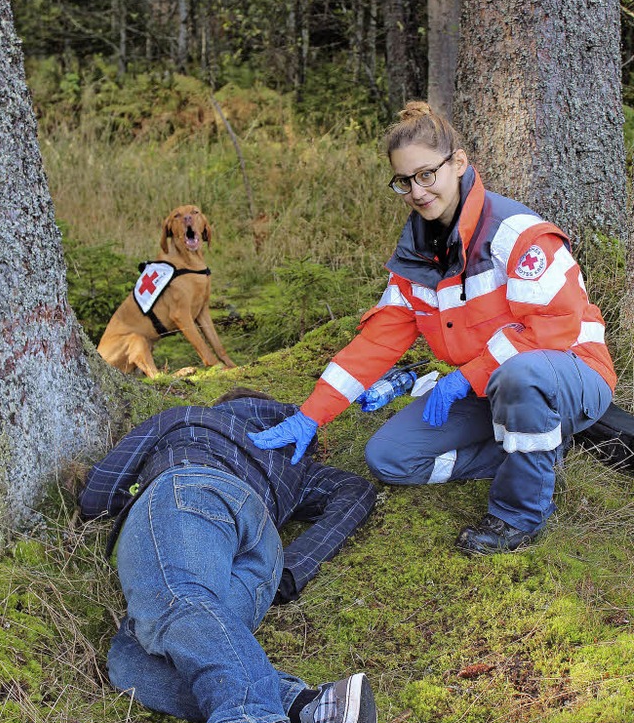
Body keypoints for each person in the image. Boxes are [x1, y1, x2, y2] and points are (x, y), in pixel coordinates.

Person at [249, 102, 616, 556]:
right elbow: (377, 341)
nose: (417, 192)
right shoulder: (415, 260)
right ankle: (535, 451)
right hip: (489, 388)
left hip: (570, 373)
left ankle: (517, 516)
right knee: (390, 457)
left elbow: (554, 326)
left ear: (458, 163)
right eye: (403, 182)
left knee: (522, 376)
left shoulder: (516, 235)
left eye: (426, 175)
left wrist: (466, 376)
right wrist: (311, 414)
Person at [78, 388, 377, 723]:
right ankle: (312, 708)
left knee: (177, 601)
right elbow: (356, 492)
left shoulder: (189, 419)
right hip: (263, 550)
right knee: (133, 663)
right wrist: (294, 568)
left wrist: (111, 505)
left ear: (229, 406)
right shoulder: (297, 456)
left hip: (191, 491)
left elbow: (98, 493)